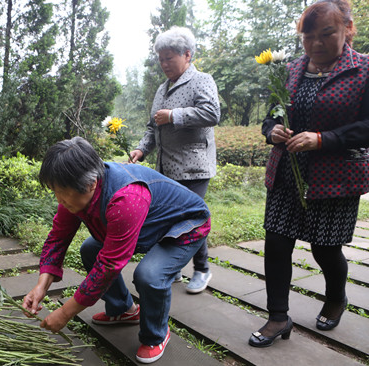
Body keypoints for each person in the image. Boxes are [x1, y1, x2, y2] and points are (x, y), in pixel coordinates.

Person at [22, 137, 211, 363]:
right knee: (90, 249)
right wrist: (41, 286)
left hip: (185, 226)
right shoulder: (76, 191)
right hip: (148, 226)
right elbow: (58, 237)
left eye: (62, 191)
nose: (59, 199)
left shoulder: (126, 197)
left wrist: (65, 313)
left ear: (91, 184)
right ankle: (124, 310)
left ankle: (156, 334)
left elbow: (109, 265)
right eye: (55, 191)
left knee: (150, 275)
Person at [249, 0, 369, 348]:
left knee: (325, 248)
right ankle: (278, 316)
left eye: (326, 33)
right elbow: (271, 116)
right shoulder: (290, 70)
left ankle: (336, 297)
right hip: (288, 173)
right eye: (308, 36)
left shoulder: (363, 70)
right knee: (276, 242)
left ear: (347, 28)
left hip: (336, 177)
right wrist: (271, 130)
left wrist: (323, 139)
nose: (316, 43)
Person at [129, 26, 220, 294]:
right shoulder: (162, 89)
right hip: (166, 166)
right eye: (161, 58)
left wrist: (174, 116)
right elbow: (151, 126)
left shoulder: (202, 80)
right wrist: (141, 150)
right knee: (169, 217)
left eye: (170, 57)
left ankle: (202, 269)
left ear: (187, 55)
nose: (164, 63)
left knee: (192, 218)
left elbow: (212, 113)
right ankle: (174, 268)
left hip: (194, 166)